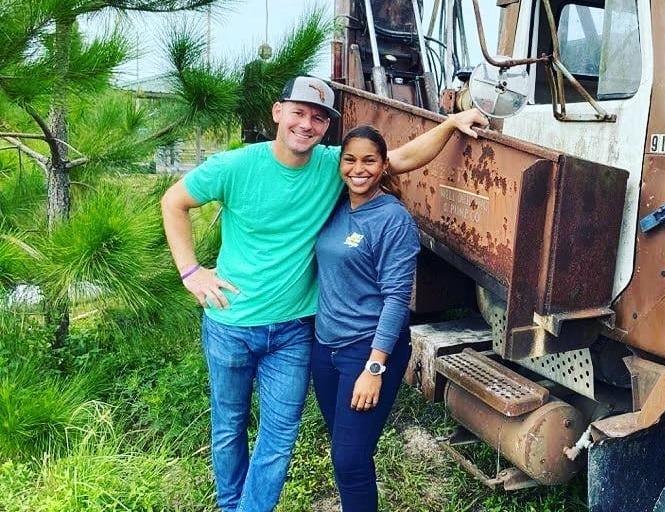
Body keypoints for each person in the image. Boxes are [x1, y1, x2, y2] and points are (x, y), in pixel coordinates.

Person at [160, 75, 488, 512]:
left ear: (325, 128)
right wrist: (191, 271)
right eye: (298, 112)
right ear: (278, 113)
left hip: (295, 332)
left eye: (318, 117)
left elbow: (402, 157)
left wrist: (450, 124)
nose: (306, 124)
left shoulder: (332, 167)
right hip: (230, 325)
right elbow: (174, 202)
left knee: (279, 438)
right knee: (228, 428)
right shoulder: (235, 167)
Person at [311, 125, 419, 511]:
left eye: (370, 160)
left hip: (366, 350)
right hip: (325, 348)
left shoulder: (393, 220)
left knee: (350, 458)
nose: (359, 169)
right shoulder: (336, 207)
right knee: (344, 447)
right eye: (350, 159)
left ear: (384, 165)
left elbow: (396, 299)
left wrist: (374, 367)